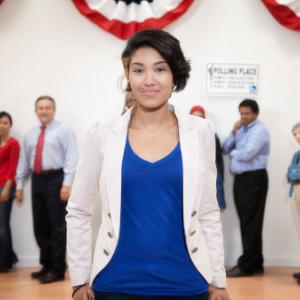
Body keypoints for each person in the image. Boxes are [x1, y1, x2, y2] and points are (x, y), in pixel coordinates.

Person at [67, 29, 229, 300]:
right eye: (139, 70)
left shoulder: (200, 131)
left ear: (175, 76)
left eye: (160, 69)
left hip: (187, 284)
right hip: (114, 284)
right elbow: (79, 210)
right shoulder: (101, 135)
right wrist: (79, 279)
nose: (149, 81)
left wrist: (219, 280)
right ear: (127, 76)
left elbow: (208, 211)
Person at [15, 96, 78, 284]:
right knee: (41, 226)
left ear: (54, 110)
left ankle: (58, 269)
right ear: (35, 111)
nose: (44, 111)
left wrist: (66, 184)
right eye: (40, 108)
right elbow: (24, 161)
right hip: (37, 180)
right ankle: (47, 265)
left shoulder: (64, 131)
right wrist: (19, 186)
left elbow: (71, 158)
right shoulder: (30, 134)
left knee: (57, 226)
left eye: (47, 107)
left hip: (56, 179)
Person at [222, 99, 270, 277]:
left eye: (247, 113)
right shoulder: (241, 129)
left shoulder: (259, 130)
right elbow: (225, 148)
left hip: (254, 179)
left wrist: (235, 152)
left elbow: (248, 153)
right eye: (241, 113)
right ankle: (256, 262)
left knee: (251, 222)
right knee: (247, 222)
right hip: (241, 181)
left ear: (255, 114)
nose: (244, 117)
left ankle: (247, 265)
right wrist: (233, 132)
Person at [190, 105, 226, 209]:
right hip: (192, 179)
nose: (197, 120)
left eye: (200, 117)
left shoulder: (212, 135)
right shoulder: (183, 135)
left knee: (210, 211)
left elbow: (218, 161)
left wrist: (220, 181)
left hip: (209, 179)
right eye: (194, 117)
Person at [0, 111, 20, 272]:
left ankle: (5, 263)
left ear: (10, 125)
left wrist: (6, 189)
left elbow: (12, 168)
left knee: (3, 226)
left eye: (5, 123)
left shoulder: (13, 143)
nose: (1, 126)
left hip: (5, 186)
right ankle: (9, 257)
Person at [287, 122, 300, 285]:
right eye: (295, 134)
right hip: (297, 191)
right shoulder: (297, 154)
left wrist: (294, 171)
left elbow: (294, 171)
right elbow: (290, 175)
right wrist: (294, 172)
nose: (297, 136)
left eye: (299, 133)